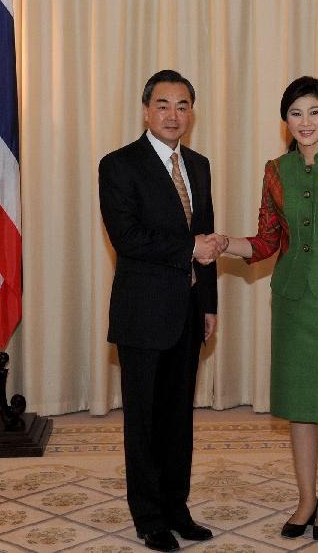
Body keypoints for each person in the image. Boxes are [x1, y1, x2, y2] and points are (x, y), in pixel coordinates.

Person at [220, 76, 318, 542]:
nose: (305, 122)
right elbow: (268, 239)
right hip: (291, 299)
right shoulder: (276, 170)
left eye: (314, 112)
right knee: (300, 408)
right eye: (296, 113)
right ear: (284, 121)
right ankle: (306, 498)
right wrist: (227, 243)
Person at [98, 70, 226, 552]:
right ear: (146, 110)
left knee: (179, 419)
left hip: (190, 312)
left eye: (183, 105)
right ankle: (149, 517)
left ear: (192, 112)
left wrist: (209, 304)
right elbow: (127, 238)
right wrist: (189, 247)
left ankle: (177, 507)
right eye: (164, 105)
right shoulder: (119, 165)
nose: (174, 115)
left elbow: (209, 239)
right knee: (145, 421)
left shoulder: (199, 164)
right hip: (143, 313)